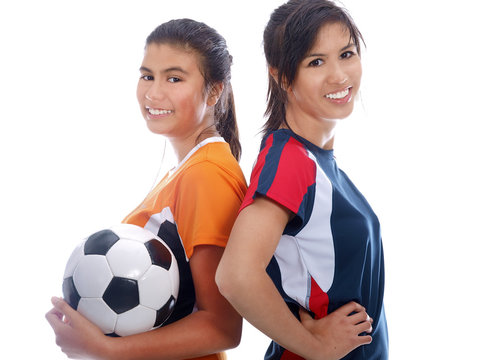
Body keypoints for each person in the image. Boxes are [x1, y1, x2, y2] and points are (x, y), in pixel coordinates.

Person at [46, 18, 247, 360]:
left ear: (214, 90)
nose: (153, 93)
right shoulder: (186, 171)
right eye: (147, 76)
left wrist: (104, 349)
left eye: (174, 78)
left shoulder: (207, 174)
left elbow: (222, 327)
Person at [216, 1, 388, 359]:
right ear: (280, 75)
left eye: (346, 53)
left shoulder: (318, 160)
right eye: (315, 62)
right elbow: (236, 275)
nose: (339, 75)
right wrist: (316, 347)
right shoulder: (292, 161)